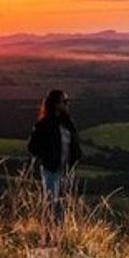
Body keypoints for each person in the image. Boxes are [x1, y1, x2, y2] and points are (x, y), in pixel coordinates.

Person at [26, 88, 82, 230]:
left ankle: (58, 235)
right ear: (56, 104)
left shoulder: (67, 123)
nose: (67, 104)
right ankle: (50, 234)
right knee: (52, 202)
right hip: (51, 169)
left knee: (62, 203)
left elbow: (73, 144)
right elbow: (32, 147)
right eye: (65, 101)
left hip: (65, 170)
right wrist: (47, 157)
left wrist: (75, 158)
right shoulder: (44, 124)